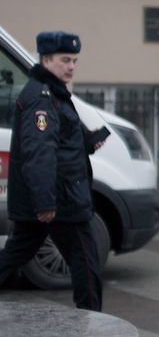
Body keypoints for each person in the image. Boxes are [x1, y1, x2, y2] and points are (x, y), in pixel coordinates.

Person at [0, 31, 107, 311]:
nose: (71, 66)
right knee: (86, 263)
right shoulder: (42, 98)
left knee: (14, 255)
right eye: (65, 60)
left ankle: (91, 318)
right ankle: (92, 322)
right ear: (46, 60)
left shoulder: (53, 93)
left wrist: (89, 141)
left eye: (74, 61)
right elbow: (40, 152)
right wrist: (45, 202)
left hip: (54, 196)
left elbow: (62, 139)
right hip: (61, 200)